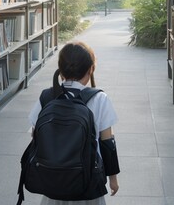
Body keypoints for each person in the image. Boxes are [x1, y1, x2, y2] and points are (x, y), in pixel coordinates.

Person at [28, 41, 120, 205]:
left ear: (60, 69)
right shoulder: (99, 99)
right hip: (88, 180)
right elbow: (108, 143)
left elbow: (36, 136)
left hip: (53, 179)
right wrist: (112, 178)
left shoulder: (47, 97)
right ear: (91, 69)